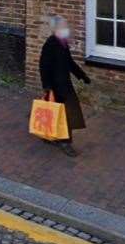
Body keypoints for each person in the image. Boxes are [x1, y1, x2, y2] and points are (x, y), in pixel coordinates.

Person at [39, 15, 91, 157]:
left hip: (65, 83)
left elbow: (69, 62)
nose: (66, 28)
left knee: (60, 113)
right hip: (56, 86)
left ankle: (48, 135)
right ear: (55, 28)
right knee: (65, 114)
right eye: (63, 26)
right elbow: (44, 66)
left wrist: (82, 76)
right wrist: (47, 86)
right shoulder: (50, 44)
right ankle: (65, 142)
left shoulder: (63, 43)